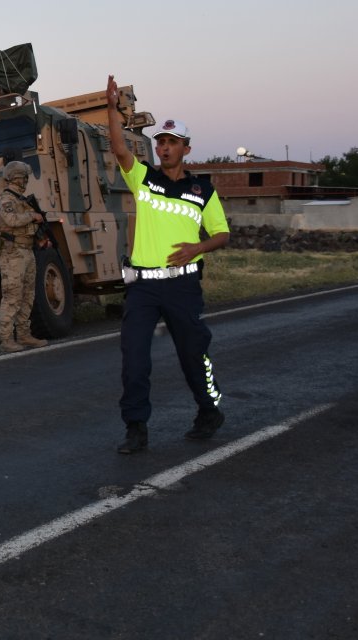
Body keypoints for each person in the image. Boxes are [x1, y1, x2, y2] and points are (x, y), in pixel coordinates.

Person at [105, 76, 230, 454]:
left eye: (172, 142)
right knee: (135, 360)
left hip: (183, 286)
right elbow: (117, 147)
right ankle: (136, 427)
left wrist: (197, 246)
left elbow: (222, 234)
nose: (164, 147)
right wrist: (111, 109)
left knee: (194, 354)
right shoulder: (144, 179)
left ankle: (209, 410)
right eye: (160, 141)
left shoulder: (203, 191)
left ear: (186, 149)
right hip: (143, 286)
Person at [0, 160, 50, 353]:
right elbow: (10, 220)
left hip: (26, 251)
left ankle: (24, 334)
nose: (26, 181)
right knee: (12, 296)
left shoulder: (22, 200)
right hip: (13, 254)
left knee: (28, 295)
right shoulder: (6, 200)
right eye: (24, 177)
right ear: (18, 178)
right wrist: (32, 217)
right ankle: (6, 338)